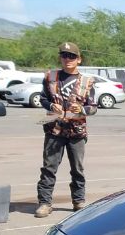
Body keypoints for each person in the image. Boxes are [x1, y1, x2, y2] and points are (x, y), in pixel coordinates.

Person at [35, 42, 97, 218]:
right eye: (64, 55)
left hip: (76, 132)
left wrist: (82, 110)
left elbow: (93, 107)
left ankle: (79, 201)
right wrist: (50, 105)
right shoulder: (50, 77)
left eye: (72, 56)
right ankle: (45, 203)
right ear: (60, 58)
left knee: (77, 168)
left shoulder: (87, 81)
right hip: (54, 130)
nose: (67, 59)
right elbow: (42, 98)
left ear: (79, 59)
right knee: (49, 168)